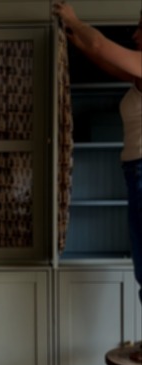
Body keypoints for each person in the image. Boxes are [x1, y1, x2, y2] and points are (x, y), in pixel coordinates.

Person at [53, 2, 142, 305]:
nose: (135, 33)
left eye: (141, 27)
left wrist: (72, 19)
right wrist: (74, 39)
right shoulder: (136, 73)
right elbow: (107, 60)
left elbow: (101, 45)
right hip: (134, 172)